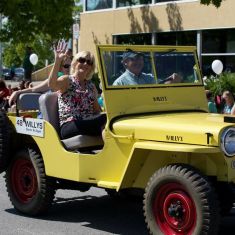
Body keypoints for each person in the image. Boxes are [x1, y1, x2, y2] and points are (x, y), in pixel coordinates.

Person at [48, 41, 106, 139]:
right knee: (104, 119)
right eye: (82, 60)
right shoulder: (67, 80)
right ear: (75, 62)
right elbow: (52, 85)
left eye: (89, 62)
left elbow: (97, 111)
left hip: (88, 123)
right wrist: (57, 61)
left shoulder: (91, 86)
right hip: (70, 125)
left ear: (91, 67)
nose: (85, 64)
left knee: (109, 120)